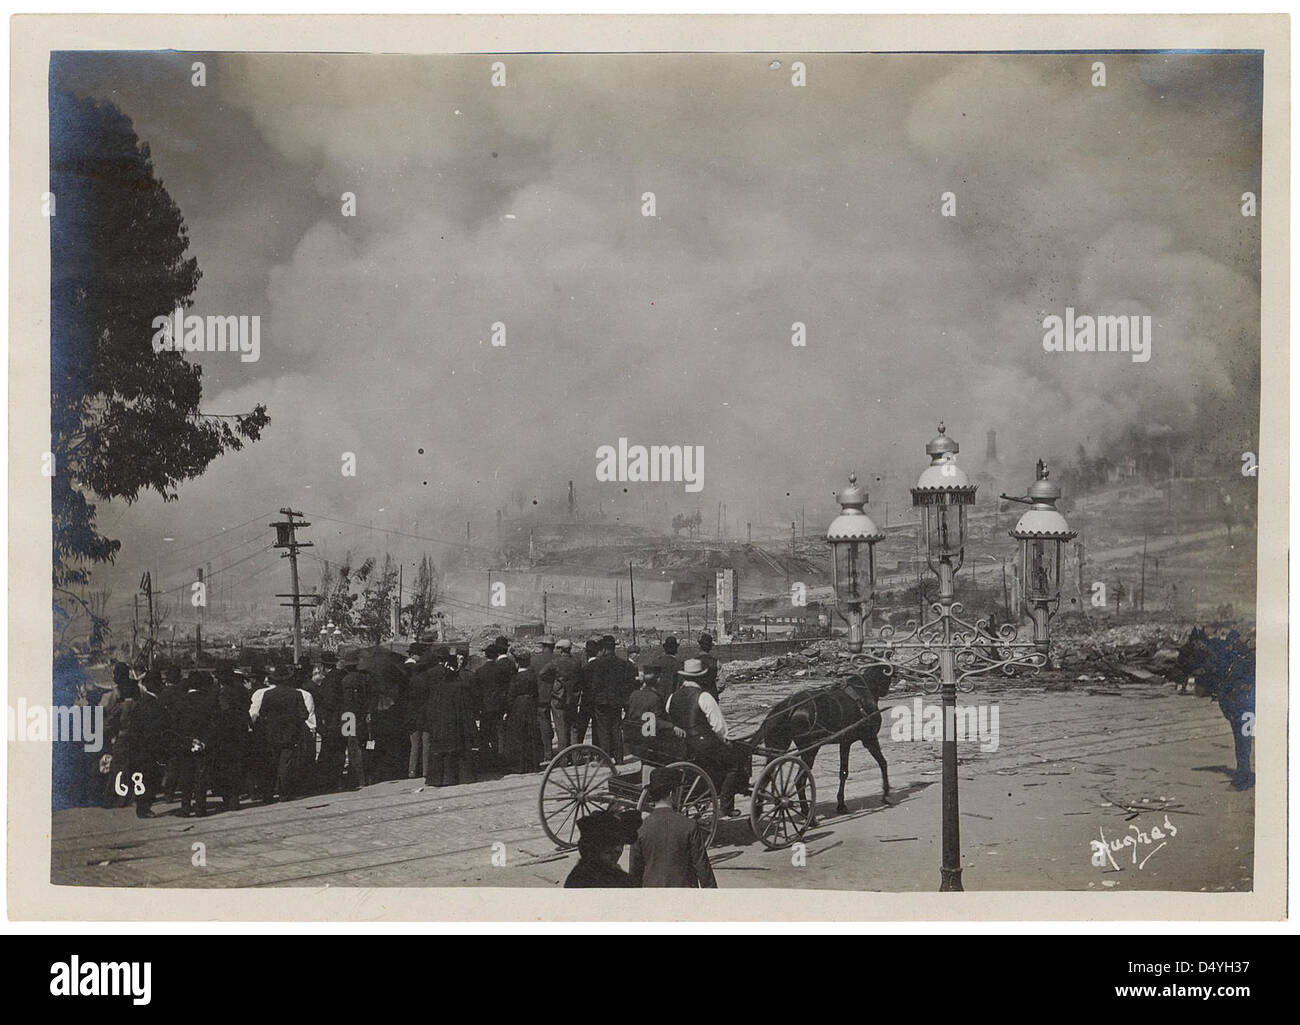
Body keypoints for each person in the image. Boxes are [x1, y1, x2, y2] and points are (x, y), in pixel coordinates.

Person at [666, 659, 748, 817]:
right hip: (702, 747)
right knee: (735, 762)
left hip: (682, 746)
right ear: (700, 678)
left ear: (684, 678)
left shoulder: (672, 697)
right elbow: (719, 728)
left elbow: (671, 716)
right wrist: (726, 741)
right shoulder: (704, 697)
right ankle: (726, 805)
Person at [630, 767, 717, 888]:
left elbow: (634, 875)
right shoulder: (689, 826)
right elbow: (703, 870)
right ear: (672, 794)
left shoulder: (640, 829)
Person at [250, 664, 310, 802]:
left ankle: (268, 794)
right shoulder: (296, 694)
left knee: (271, 764)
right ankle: (284, 793)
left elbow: (262, 713)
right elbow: (304, 714)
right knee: (286, 763)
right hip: (290, 734)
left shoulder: (268, 694)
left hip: (270, 734)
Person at [425, 646, 478, 786]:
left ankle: (437, 779)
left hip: (440, 724)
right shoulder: (459, 687)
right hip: (455, 724)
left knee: (440, 752)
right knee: (457, 752)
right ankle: (456, 778)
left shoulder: (438, 689)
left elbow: (431, 707)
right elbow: (465, 708)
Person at [171, 670, 218, 817]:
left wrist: (186, 741)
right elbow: (214, 724)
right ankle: (200, 808)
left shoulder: (180, 701)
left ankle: (185, 808)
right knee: (201, 777)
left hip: (185, 744)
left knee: (186, 776)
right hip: (204, 744)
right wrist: (203, 741)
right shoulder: (210, 701)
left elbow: (175, 725)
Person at [564, 810, 641, 888]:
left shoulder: (575, 876)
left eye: (621, 844)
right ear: (593, 850)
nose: (619, 850)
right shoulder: (622, 882)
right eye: (609, 850)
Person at [212, 664, 251, 811]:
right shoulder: (241, 690)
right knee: (237, 765)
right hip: (241, 731)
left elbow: (225, 712)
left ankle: (229, 798)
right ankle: (235, 797)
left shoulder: (222, 693)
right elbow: (247, 706)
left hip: (226, 734)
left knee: (225, 767)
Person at [502, 650, 545, 773]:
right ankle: (533, 764)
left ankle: (520, 766)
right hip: (530, 706)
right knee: (531, 735)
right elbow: (537, 694)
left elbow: (511, 696)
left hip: (518, 708)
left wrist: (508, 710)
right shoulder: (532, 676)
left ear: (518, 663)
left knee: (518, 736)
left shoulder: (515, 678)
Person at [540, 638, 582, 749]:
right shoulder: (577, 662)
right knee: (574, 728)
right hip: (573, 698)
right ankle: (575, 755)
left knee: (561, 728)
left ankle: (563, 757)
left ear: (561, 650)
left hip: (558, 698)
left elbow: (542, 673)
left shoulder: (556, 662)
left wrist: (554, 681)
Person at [314, 651, 346, 792]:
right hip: (347, 718)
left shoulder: (329, 680)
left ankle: (330, 781)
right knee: (343, 747)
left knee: (330, 749)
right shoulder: (343, 675)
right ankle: (339, 778)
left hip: (333, 721)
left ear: (322, 666)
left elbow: (329, 702)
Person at [339, 652, 369, 789]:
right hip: (361, 715)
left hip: (348, 716)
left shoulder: (345, 680)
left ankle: (356, 777)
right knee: (361, 744)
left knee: (351, 746)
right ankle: (364, 776)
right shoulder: (364, 679)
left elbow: (346, 702)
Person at [533, 636, 557, 755]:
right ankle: (566, 754)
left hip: (541, 696)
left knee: (544, 723)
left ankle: (547, 752)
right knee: (561, 724)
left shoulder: (535, 660)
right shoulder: (558, 659)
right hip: (558, 696)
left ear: (543, 646)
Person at [696, 633, 720, 698]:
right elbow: (721, 682)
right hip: (712, 696)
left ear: (700, 646)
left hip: (698, 697)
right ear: (710, 648)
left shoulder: (694, 663)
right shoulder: (716, 662)